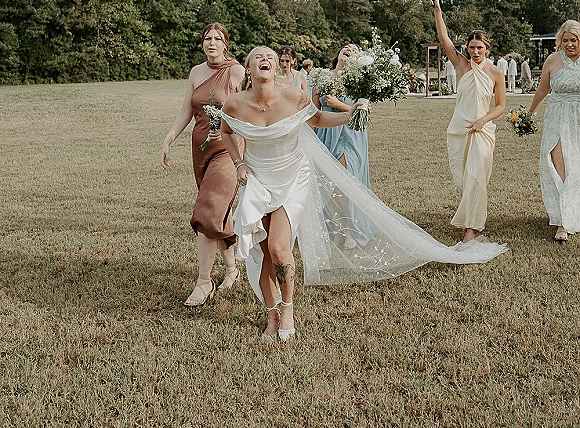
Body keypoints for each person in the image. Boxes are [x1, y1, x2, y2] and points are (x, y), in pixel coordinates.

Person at [220, 46, 507, 342]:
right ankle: (272, 313)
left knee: (279, 249)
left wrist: (351, 116)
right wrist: (239, 163)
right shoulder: (235, 104)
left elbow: (316, 120)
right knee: (264, 251)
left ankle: (288, 309)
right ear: (249, 68)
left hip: (292, 176)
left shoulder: (293, 96)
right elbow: (227, 132)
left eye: (270, 57)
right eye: (258, 57)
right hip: (258, 180)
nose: (265, 60)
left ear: (278, 68)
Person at [161, 23, 245, 306]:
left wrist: (226, 122)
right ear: (202, 44)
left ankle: (203, 282)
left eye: (217, 39)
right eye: (207, 38)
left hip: (228, 150)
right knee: (220, 213)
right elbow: (187, 109)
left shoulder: (236, 72)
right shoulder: (196, 72)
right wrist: (170, 137)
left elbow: (248, 110)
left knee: (208, 209)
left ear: (225, 44)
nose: (211, 43)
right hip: (201, 151)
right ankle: (232, 269)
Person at [431, 0, 506, 243]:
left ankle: (471, 229)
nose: (475, 52)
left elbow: (501, 106)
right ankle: (472, 216)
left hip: (482, 132)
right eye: (471, 47)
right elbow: (444, 38)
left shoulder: (496, 73)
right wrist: (438, 11)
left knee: (476, 176)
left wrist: (482, 120)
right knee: (463, 179)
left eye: (480, 48)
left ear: (487, 49)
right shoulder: (461, 66)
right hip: (459, 130)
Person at [312, 43, 370, 248]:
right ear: (338, 53)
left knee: (343, 182)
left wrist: (339, 105)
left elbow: (366, 111)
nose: (349, 50)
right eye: (347, 47)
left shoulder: (360, 81)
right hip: (325, 134)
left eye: (355, 51)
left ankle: (351, 229)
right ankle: (337, 229)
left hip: (350, 135)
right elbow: (313, 112)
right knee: (326, 184)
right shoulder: (320, 76)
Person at [528, 20, 580, 242]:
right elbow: (542, 89)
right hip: (557, 118)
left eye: (574, 40)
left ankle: (572, 212)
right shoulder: (553, 60)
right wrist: (528, 114)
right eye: (565, 40)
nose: (569, 44)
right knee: (560, 166)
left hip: (578, 118)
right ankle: (563, 222)